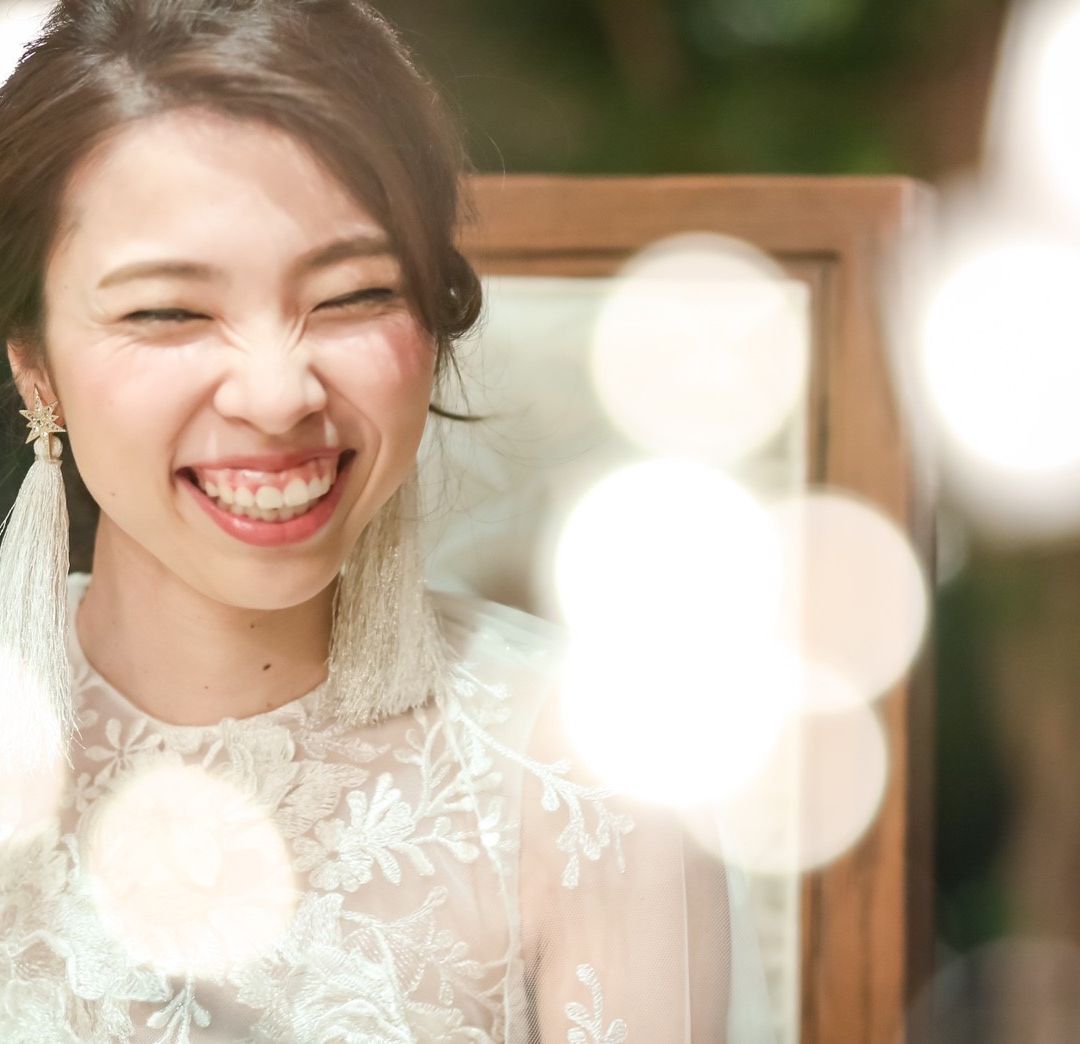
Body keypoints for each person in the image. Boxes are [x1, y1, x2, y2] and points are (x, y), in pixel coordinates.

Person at [0, 1, 773, 1040]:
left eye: (352, 295)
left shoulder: (593, 771)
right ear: (36, 365)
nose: (278, 395)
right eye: (169, 311)